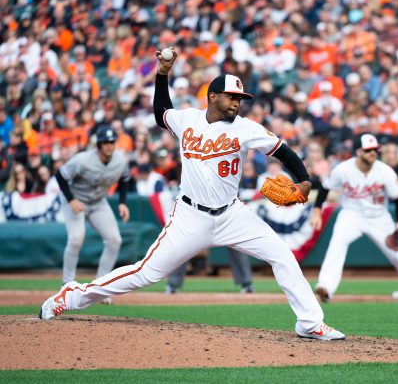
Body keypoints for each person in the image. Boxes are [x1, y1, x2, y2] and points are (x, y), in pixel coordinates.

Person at [39, 48, 345, 341]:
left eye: (241, 98)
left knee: (282, 256)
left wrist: (304, 180)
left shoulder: (246, 127)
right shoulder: (188, 120)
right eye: (231, 97)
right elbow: (161, 113)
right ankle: (74, 295)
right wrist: (162, 73)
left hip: (231, 215)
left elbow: (284, 152)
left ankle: (310, 323)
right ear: (213, 97)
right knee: (145, 273)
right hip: (190, 216)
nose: (237, 103)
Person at [310, 133, 398, 303]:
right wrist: (317, 210)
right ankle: (326, 288)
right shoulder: (343, 169)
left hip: (379, 217)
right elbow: (325, 188)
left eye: (375, 150)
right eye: (369, 150)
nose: (373, 153)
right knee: (336, 245)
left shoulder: (385, 171)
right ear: (359, 151)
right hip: (351, 214)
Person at [54, 125, 130, 305]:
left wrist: (122, 202)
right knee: (76, 238)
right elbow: (60, 176)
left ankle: (100, 287)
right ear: (99, 144)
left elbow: (125, 178)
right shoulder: (83, 160)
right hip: (76, 200)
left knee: (114, 240)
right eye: (105, 142)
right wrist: (71, 200)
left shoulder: (120, 160)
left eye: (111, 142)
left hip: (97, 202)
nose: (109, 145)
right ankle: (67, 285)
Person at [166, 248, 254, 294]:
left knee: (237, 241)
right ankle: (172, 285)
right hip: (201, 215)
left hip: (225, 215)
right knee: (184, 241)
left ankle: (247, 285)